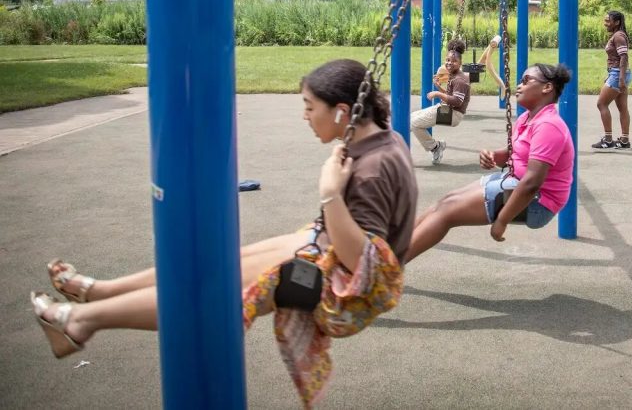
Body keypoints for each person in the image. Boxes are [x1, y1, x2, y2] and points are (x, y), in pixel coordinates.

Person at [31, 59, 417, 407]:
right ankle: (100, 291)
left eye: (308, 106)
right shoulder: (384, 139)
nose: (304, 116)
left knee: (213, 291)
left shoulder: (371, 171)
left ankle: (80, 321)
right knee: (223, 262)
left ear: (342, 111)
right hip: (325, 250)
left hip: (343, 292)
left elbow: (363, 264)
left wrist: (330, 193)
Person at [404, 63, 575, 262]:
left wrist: (502, 220)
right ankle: (394, 249)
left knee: (447, 213)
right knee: (446, 201)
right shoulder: (527, 118)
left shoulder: (548, 125)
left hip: (538, 201)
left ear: (547, 88)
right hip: (514, 181)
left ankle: (385, 272)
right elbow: (515, 154)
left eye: (526, 80)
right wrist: (493, 156)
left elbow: (532, 182)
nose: (519, 85)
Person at [414, 35, 504, 165]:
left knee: (413, 123)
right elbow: (451, 96)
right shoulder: (454, 75)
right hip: (447, 109)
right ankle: (435, 146)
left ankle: (435, 147)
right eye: (448, 60)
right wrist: (439, 87)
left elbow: (456, 101)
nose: (450, 63)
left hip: (452, 114)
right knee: (412, 119)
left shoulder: (460, 79)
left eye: (454, 61)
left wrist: (436, 94)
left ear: (460, 63)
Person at [592, 10, 632, 150]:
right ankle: (624, 140)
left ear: (617, 22)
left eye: (608, 21)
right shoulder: (618, 35)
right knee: (622, 108)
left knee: (601, 104)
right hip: (618, 74)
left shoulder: (619, 36)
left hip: (618, 75)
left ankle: (608, 140)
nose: (605, 23)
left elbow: (624, 57)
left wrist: (619, 78)